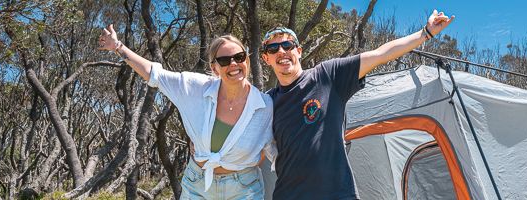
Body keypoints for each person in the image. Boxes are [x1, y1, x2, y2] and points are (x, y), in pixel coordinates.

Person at [260, 10, 454, 199]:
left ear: (299, 51)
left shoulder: (327, 76)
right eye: (273, 49)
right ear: (266, 58)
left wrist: (425, 33)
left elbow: (380, 54)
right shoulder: (267, 103)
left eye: (288, 45)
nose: (282, 52)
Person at [97, 25, 276, 199]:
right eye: (224, 60)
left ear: (247, 60)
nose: (233, 63)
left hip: (243, 189)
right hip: (197, 183)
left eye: (239, 57)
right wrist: (117, 47)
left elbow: (278, 150)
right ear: (215, 68)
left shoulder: (265, 106)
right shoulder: (195, 88)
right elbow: (154, 74)